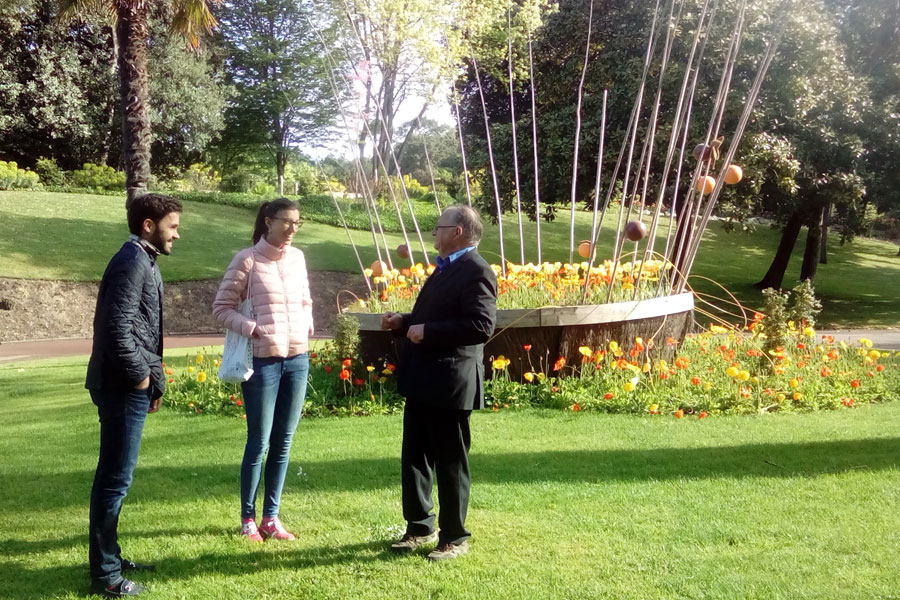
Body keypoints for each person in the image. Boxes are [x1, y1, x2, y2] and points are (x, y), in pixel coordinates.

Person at [381, 205, 497, 561]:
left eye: (439, 227)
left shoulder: (476, 270)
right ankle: (419, 526)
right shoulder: (445, 267)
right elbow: (434, 316)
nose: (434, 233)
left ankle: (454, 537)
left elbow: (481, 326)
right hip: (423, 378)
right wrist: (403, 321)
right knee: (414, 456)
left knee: (450, 461)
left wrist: (427, 331)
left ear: (457, 232)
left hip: (450, 382)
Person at [85, 193, 182, 597]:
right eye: (172, 226)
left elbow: (140, 331)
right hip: (121, 386)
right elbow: (116, 329)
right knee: (114, 481)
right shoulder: (131, 261)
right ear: (148, 225)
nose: (178, 234)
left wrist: (153, 382)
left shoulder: (141, 259)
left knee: (114, 479)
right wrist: (141, 378)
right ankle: (107, 575)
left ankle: (110, 557)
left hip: (129, 386)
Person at [213, 197, 314, 543]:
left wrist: (307, 323)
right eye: (286, 222)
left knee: (283, 442)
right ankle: (247, 519)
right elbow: (221, 309)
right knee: (258, 441)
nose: (291, 229)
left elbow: (305, 299)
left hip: (298, 358)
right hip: (262, 361)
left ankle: (271, 517)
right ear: (268, 221)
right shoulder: (248, 260)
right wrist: (252, 328)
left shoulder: (298, 259)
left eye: (297, 223)